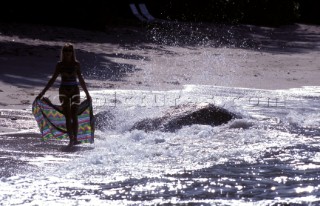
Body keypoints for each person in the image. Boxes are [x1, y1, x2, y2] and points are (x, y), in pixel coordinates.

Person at [37, 43, 91, 147]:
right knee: (67, 116)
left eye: (69, 50)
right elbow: (52, 79)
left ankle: (75, 138)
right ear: (63, 52)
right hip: (63, 91)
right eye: (65, 51)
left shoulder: (76, 64)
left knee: (74, 115)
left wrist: (87, 94)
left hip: (75, 90)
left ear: (72, 52)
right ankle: (71, 139)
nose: (67, 53)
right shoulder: (60, 65)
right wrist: (42, 93)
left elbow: (81, 80)